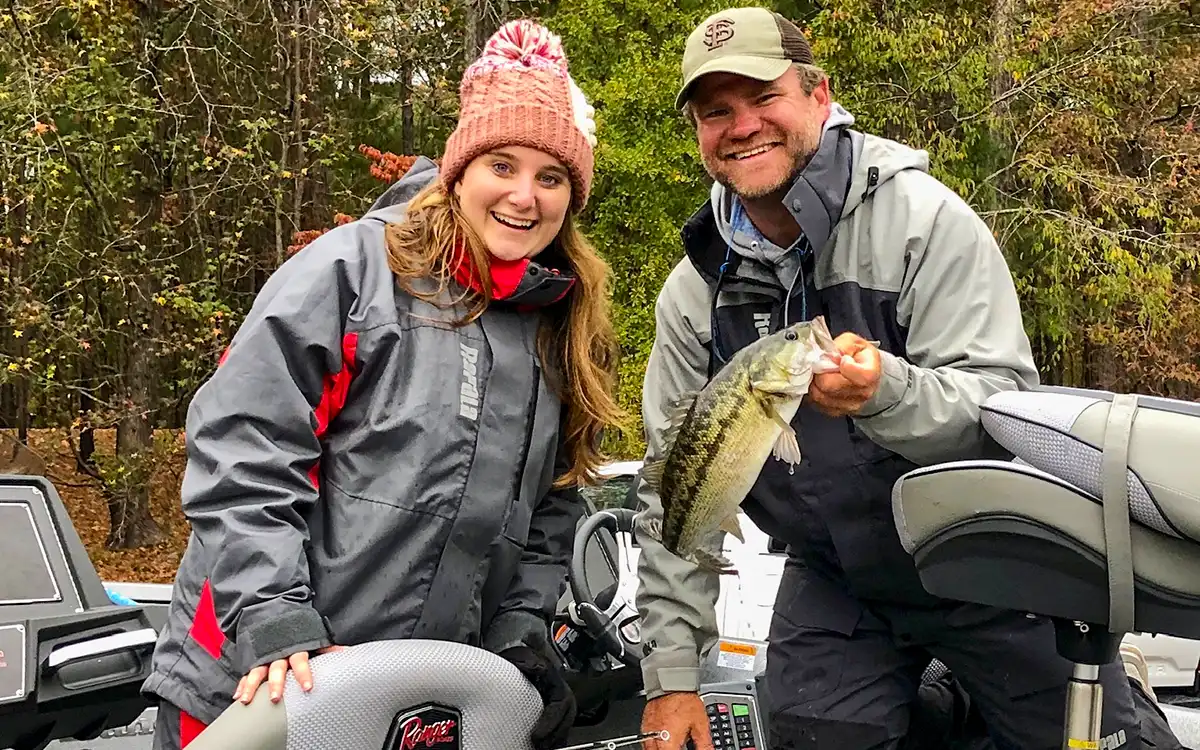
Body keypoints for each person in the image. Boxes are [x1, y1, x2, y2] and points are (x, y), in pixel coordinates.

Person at [633, 7, 1183, 750]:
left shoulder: (926, 221)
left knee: (1105, 741)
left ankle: (985, 696)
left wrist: (886, 393)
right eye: (715, 112)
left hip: (985, 554)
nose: (742, 125)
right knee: (815, 734)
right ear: (699, 134)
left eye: (765, 98)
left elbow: (1004, 411)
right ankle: (942, 703)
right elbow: (673, 494)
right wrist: (671, 678)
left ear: (818, 97)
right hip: (836, 576)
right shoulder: (692, 293)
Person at [140, 19, 623, 750]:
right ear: (460, 168)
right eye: (502, 165)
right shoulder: (351, 274)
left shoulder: (564, 324)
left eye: (550, 177)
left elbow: (555, 507)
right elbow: (244, 450)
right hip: (263, 684)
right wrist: (275, 616)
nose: (524, 196)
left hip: (411, 707)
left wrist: (521, 634)